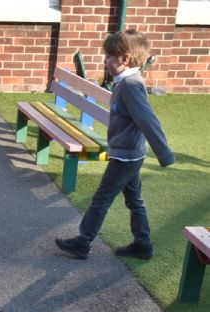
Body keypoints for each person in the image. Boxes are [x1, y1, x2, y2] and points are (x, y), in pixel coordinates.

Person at [55, 30, 175, 260]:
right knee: (134, 200)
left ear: (125, 59)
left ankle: (83, 241)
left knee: (101, 199)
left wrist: (164, 154)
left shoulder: (130, 85)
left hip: (126, 156)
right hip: (130, 153)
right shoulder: (126, 82)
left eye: (109, 56)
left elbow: (147, 120)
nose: (105, 60)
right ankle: (142, 244)